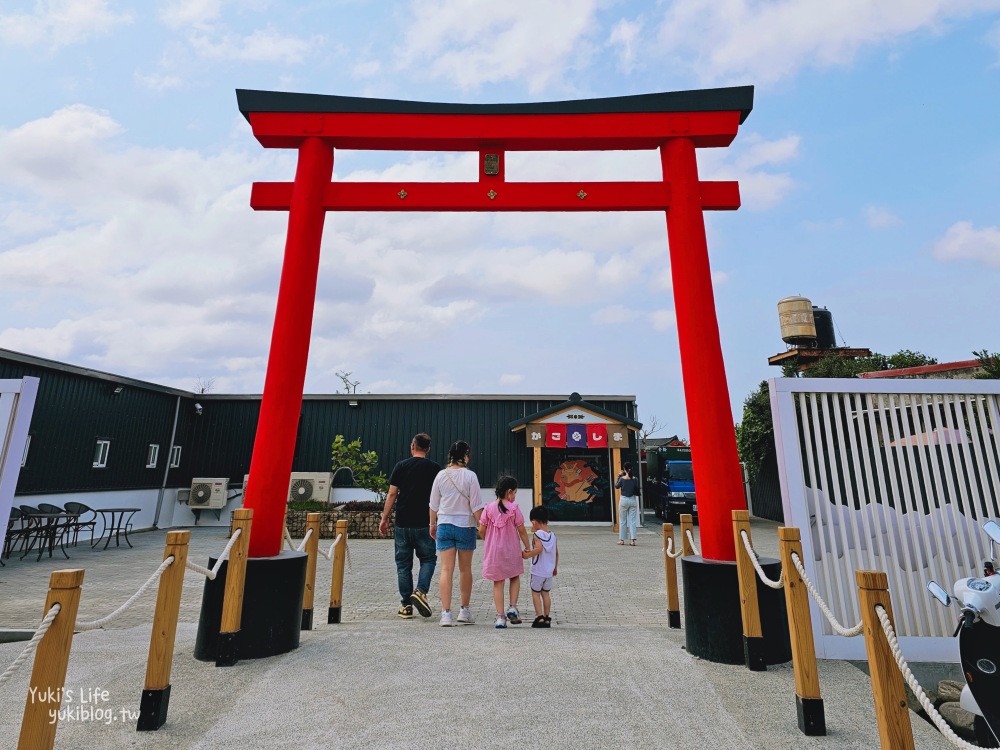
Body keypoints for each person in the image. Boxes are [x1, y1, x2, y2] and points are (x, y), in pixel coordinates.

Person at [379, 433, 441, 619]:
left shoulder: (401, 466)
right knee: (428, 559)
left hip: (403, 523)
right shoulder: (435, 469)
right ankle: (420, 592)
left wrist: (384, 518)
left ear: (412, 446)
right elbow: (439, 498)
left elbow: (391, 495)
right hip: (424, 523)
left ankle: (406, 605)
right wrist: (436, 521)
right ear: (428, 449)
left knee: (403, 565)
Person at [429, 440, 486, 626]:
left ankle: (446, 614)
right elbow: (477, 507)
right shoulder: (470, 476)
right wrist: (483, 527)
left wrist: (432, 524)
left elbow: (433, 505)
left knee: (446, 569)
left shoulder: (440, 475)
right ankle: (464, 611)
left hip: (444, 524)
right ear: (466, 455)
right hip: (465, 526)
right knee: (465, 570)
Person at [479, 475, 530, 629]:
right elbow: (521, 530)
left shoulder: (488, 508)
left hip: (494, 552)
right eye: (514, 492)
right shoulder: (514, 509)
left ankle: (501, 617)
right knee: (514, 576)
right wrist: (527, 546)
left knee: (498, 582)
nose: (515, 496)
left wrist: (488, 539)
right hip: (512, 549)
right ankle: (513, 607)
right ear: (509, 492)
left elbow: (481, 530)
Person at [523, 505, 558, 628]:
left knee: (536, 593)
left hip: (538, 571)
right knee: (546, 594)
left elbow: (538, 549)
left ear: (534, 522)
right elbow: (556, 553)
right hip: (549, 571)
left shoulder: (537, 535)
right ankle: (547, 617)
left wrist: (527, 555)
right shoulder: (553, 536)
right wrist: (555, 567)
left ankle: (539, 617)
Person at [615, 463, 640, 546]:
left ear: (624, 469)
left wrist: (619, 476)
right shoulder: (635, 479)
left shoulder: (622, 479)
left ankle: (622, 540)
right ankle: (632, 540)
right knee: (632, 521)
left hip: (624, 500)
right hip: (633, 500)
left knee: (622, 520)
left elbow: (617, 486)